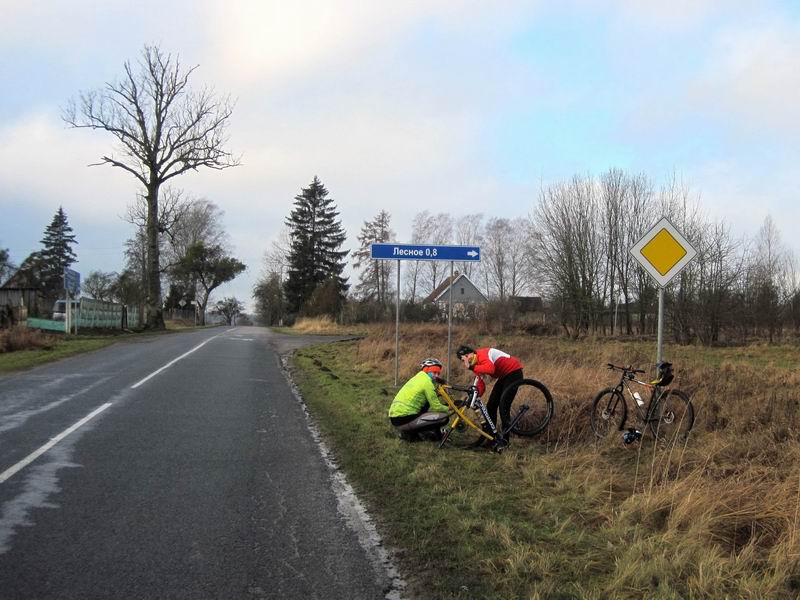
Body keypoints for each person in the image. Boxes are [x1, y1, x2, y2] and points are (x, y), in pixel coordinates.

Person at [455, 344, 524, 445]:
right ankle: (491, 440)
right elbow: (480, 385)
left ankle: (505, 441)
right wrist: (475, 395)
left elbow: (490, 369)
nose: (465, 361)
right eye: (462, 360)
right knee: (491, 406)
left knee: (503, 406)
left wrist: (471, 367)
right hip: (504, 376)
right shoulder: (476, 363)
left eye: (465, 357)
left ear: (470, 353)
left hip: (514, 372)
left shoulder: (482, 354)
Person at [388, 358, 450, 442]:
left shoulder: (417, 378)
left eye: (438, 373)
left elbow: (427, 401)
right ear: (427, 370)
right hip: (405, 418)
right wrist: (449, 408)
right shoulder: (427, 383)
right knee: (443, 418)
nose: (436, 376)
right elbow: (437, 407)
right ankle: (438, 437)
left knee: (426, 404)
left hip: (395, 418)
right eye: (434, 372)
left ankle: (411, 434)